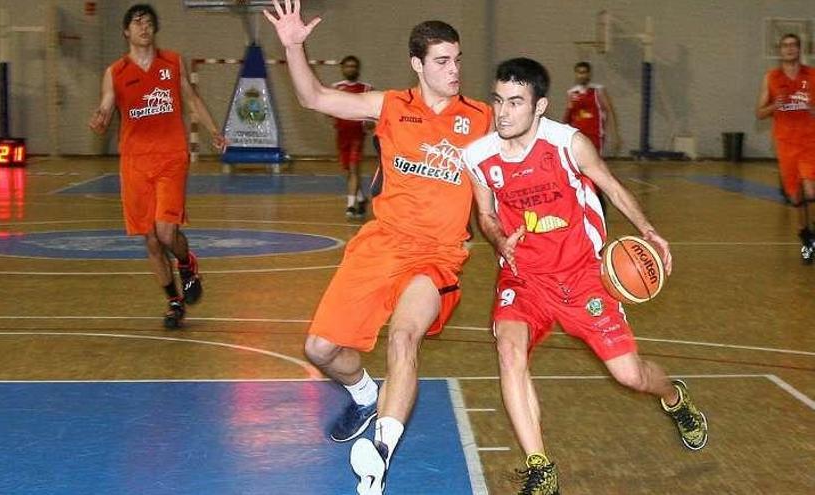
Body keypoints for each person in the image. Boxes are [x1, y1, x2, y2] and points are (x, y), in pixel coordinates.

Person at [264, 2, 491, 493]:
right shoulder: (390, 105)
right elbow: (313, 98)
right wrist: (294, 45)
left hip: (436, 257)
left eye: (457, 60)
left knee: (404, 338)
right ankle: (365, 395)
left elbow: (522, 158)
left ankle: (380, 453)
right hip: (382, 245)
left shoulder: (480, 118)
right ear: (417, 64)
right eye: (442, 62)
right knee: (319, 349)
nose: (454, 71)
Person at [463, 58, 708, 495]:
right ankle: (541, 468)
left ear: (540, 107)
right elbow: (485, 214)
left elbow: (611, 187)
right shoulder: (479, 156)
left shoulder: (568, 144)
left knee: (630, 376)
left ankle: (675, 397)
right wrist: (500, 241)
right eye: (498, 100)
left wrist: (649, 231)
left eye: (516, 103)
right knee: (509, 353)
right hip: (524, 278)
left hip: (582, 276)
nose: (503, 112)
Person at [89, 4, 226, 328]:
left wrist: (213, 130)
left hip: (170, 156)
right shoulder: (115, 72)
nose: (144, 27)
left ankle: (187, 261)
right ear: (126, 32)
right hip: (135, 162)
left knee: (166, 233)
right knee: (150, 239)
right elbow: (106, 106)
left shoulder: (172, 62)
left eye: (149, 22)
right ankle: (174, 301)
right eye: (137, 22)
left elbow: (191, 99)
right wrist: (100, 118)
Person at [756, 33, 815, 263]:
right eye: (785, 46)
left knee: (811, 190)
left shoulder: (811, 76)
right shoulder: (771, 78)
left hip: (810, 141)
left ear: (800, 50)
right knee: (795, 195)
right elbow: (759, 113)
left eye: (794, 45)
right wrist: (773, 106)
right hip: (785, 144)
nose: (790, 49)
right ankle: (806, 238)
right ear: (780, 51)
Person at [332, 55, 373, 218]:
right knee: (348, 170)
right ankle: (362, 199)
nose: (351, 69)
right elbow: (328, 109)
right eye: (347, 66)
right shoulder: (336, 88)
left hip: (357, 135)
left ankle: (350, 206)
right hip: (342, 134)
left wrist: (369, 122)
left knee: (354, 168)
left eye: (353, 66)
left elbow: (373, 112)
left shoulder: (366, 88)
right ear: (342, 68)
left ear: (358, 69)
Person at [563, 61, 619, 156]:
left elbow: (609, 110)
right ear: (576, 74)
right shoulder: (572, 93)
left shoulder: (598, 90)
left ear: (589, 74)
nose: (581, 75)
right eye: (579, 72)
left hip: (595, 134)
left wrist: (615, 134)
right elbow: (568, 115)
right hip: (577, 134)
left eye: (584, 72)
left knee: (595, 162)